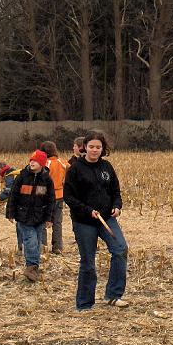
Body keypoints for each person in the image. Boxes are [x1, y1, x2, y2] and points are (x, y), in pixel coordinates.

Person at [63, 130, 129, 310]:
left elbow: (116, 191)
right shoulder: (75, 169)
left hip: (107, 219)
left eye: (98, 147)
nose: (94, 150)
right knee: (88, 262)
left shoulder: (107, 167)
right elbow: (69, 197)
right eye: (91, 147)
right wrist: (88, 210)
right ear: (85, 147)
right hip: (84, 222)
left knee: (120, 250)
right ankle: (84, 303)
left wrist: (117, 206)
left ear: (103, 149)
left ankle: (113, 295)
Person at [6, 150, 55, 282]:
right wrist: (10, 213)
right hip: (24, 217)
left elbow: (51, 200)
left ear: (42, 164)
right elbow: (13, 196)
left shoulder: (47, 180)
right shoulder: (21, 177)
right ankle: (31, 266)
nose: (32, 162)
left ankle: (33, 268)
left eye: (36, 161)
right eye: (31, 160)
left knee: (37, 242)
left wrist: (50, 218)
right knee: (30, 241)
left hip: (40, 217)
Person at [39, 141, 68, 254]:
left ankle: (43, 247)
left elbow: (41, 182)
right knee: (57, 222)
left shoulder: (45, 164)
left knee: (42, 222)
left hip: (46, 197)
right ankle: (57, 247)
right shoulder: (63, 163)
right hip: (60, 196)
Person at [0, 161, 23, 251]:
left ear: (0, 171)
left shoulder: (9, 176)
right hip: (22, 204)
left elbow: (9, 192)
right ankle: (22, 247)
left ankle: (22, 248)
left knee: (21, 226)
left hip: (22, 205)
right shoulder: (11, 174)